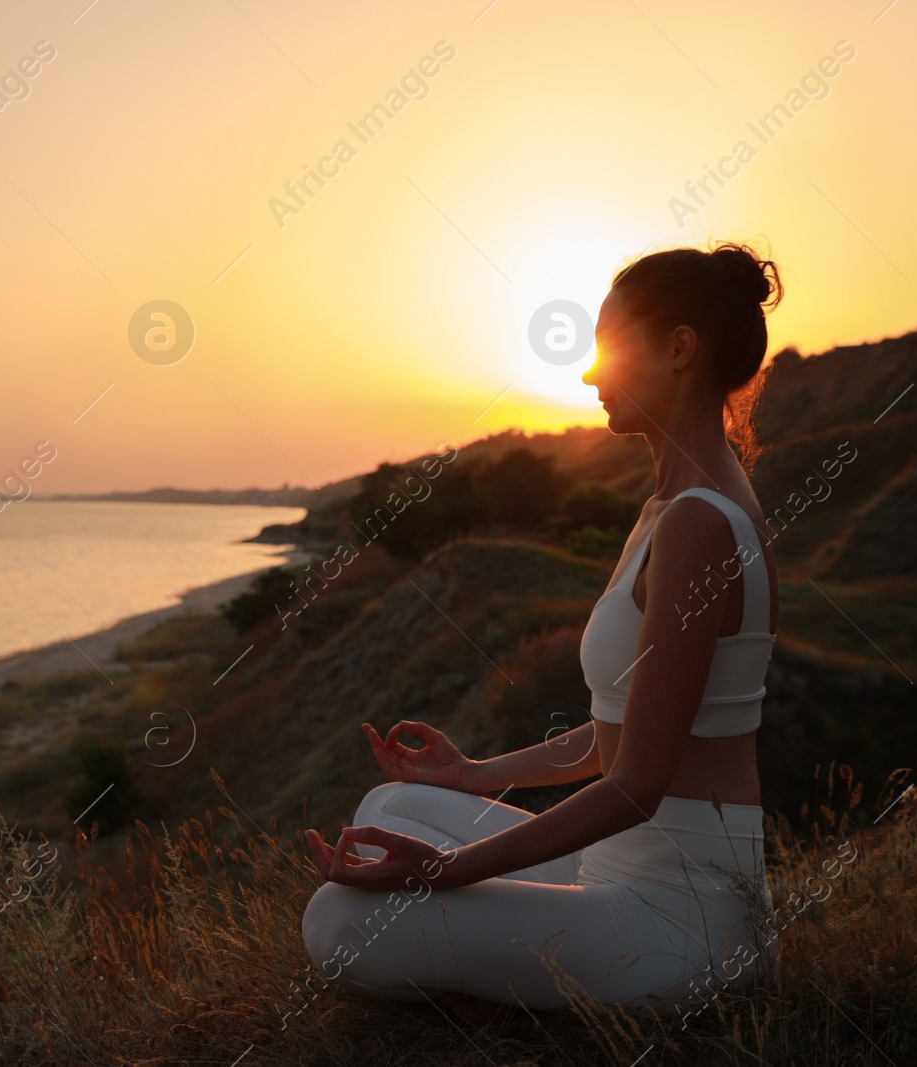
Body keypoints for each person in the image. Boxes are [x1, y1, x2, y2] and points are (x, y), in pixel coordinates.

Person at [300, 241, 785, 1015]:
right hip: (618, 868)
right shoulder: (671, 506)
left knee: (338, 922)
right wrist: (474, 774)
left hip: (684, 917)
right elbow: (617, 734)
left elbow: (636, 784)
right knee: (386, 808)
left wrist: (445, 873)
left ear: (680, 350)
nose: (591, 373)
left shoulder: (700, 525)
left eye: (608, 347)